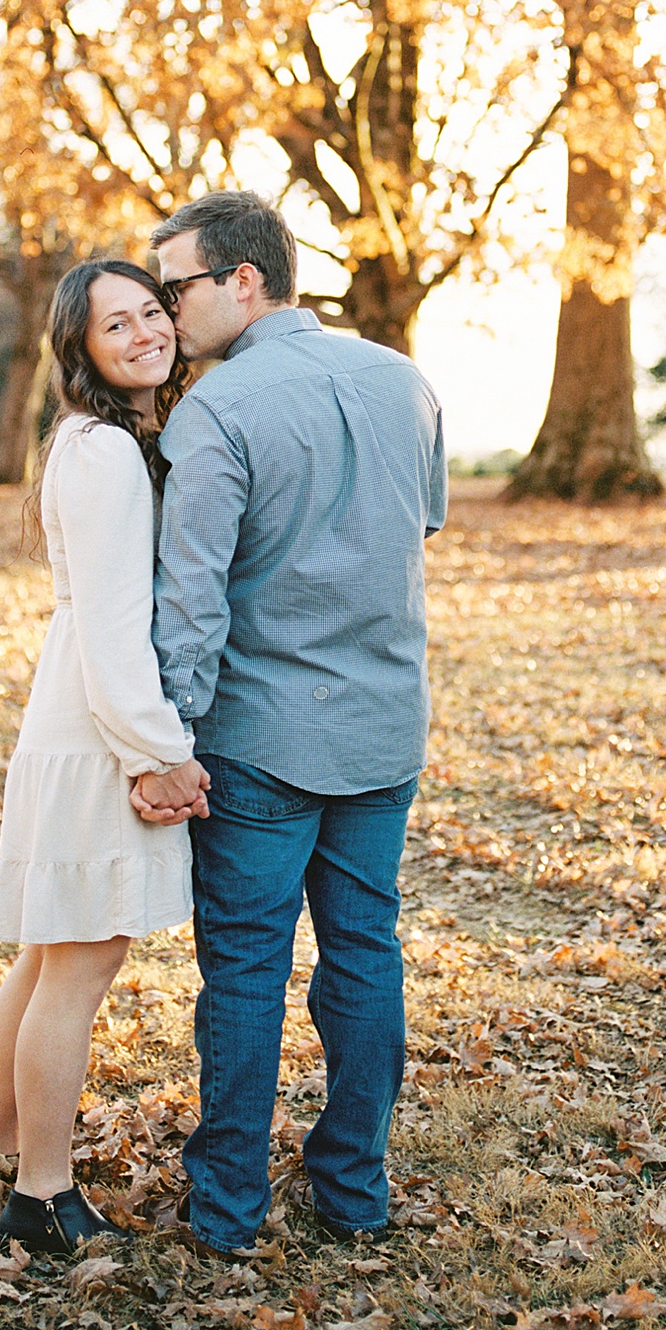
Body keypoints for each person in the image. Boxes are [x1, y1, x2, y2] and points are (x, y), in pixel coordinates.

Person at [134, 191, 446, 1258]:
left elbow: (192, 597)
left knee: (246, 971)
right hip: (381, 728)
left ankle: (226, 1208)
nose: (165, 311)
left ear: (243, 279)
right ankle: (355, 1188)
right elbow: (422, 522)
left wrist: (165, 741)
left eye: (175, 285)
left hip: (258, 737)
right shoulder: (402, 378)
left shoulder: (214, 412)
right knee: (363, 953)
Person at [0, 259, 212, 1253]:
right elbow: (114, 625)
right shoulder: (107, 450)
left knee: (46, 950)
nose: (146, 331)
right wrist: (156, 751)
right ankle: (42, 1192)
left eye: (154, 310)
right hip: (100, 726)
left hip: (72, 712)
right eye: (118, 322)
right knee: (80, 960)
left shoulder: (93, 439)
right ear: (82, 346)